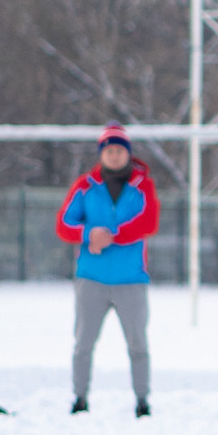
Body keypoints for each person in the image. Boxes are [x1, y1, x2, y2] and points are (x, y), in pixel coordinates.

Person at [56, 123, 160, 418]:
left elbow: (148, 221)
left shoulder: (143, 186)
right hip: (92, 279)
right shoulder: (85, 186)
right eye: (109, 150)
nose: (114, 156)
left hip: (131, 279)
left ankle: (142, 401)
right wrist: (89, 234)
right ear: (102, 153)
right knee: (83, 343)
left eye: (119, 150)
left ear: (127, 153)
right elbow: (65, 224)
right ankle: (79, 398)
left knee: (138, 344)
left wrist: (112, 235)